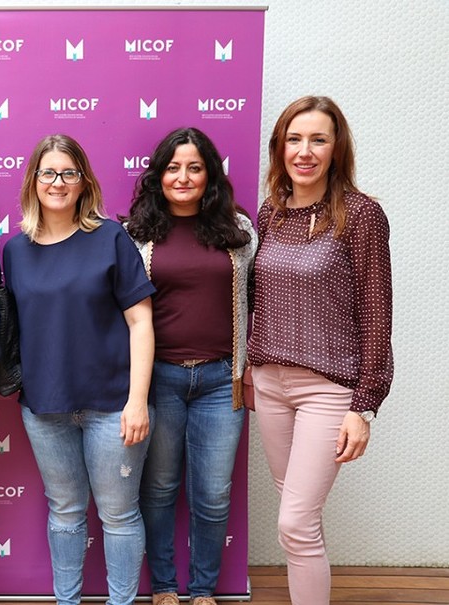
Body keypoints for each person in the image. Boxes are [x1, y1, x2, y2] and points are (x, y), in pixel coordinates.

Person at [248, 96, 393, 605]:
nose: (304, 151)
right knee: (301, 521)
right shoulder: (269, 212)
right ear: (279, 147)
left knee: (294, 522)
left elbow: (376, 313)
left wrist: (364, 406)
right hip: (269, 385)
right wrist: (250, 370)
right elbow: (259, 297)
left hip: (328, 390)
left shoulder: (361, 214)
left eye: (318, 139)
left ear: (337, 148)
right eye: (294, 139)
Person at [2, 134, 155, 605]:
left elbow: (141, 321)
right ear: (33, 181)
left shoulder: (110, 238)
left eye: (69, 172)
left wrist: (137, 401)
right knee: (65, 513)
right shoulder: (15, 250)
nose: (58, 182)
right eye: (48, 172)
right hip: (45, 408)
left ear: (84, 181)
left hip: (113, 406)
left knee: (118, 515)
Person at [122, 127, 257, 605]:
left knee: (213, 494)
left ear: (210, 175)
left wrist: (250, 366)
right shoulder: (135, 235)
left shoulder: (240, 232)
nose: (183, 177)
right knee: (159, 488)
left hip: (222, 381)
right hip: (159, 379)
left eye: (194, 168)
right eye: (173, 168)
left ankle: (202, 590)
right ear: (158, 175)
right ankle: (163, 586)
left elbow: (255, 300)